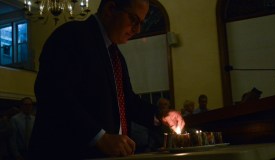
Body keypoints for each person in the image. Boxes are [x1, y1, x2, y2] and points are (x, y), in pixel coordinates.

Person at [28, 0, 184, 159]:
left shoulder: (115, 54)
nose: (137, 30)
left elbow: (126, 100)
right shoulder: (71, 35)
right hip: (65, 152)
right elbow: (52, 93)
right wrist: (98, 136)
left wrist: (160, 115)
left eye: (141, 23)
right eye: (134, 20)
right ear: (111, 9)